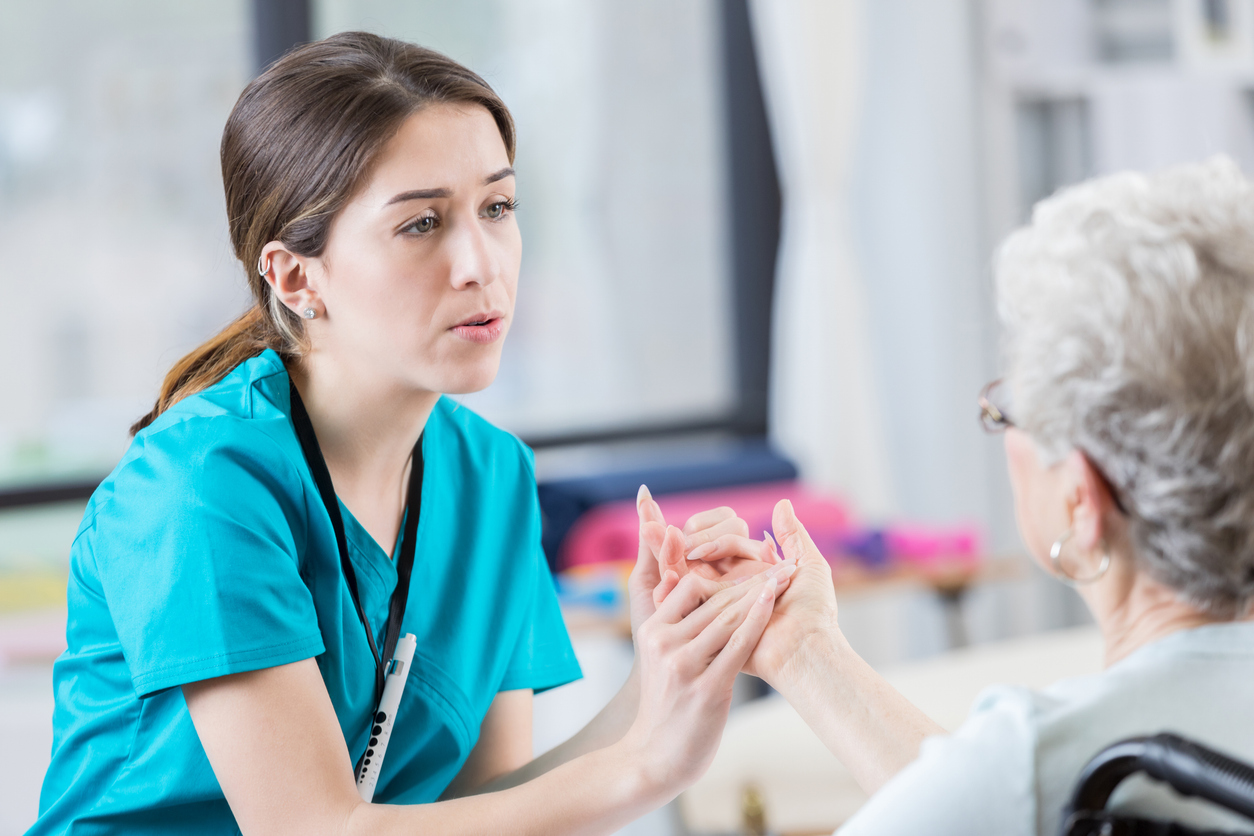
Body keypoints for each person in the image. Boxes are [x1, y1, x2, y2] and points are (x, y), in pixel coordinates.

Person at [28, 32, 792, 835]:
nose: (480, 263)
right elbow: (312, 829)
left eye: (497, 207)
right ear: (295, 276)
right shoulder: (202, 485)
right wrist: (645, 768)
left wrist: (664, 680)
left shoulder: (490, 477)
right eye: (422, 224)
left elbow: (491, 812)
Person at [740, 157, 1254, 835]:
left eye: (1011, 407)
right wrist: (805, 650)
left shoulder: (1049, 763)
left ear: (1080, 499)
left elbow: (997, 795)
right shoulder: (1040, 773)